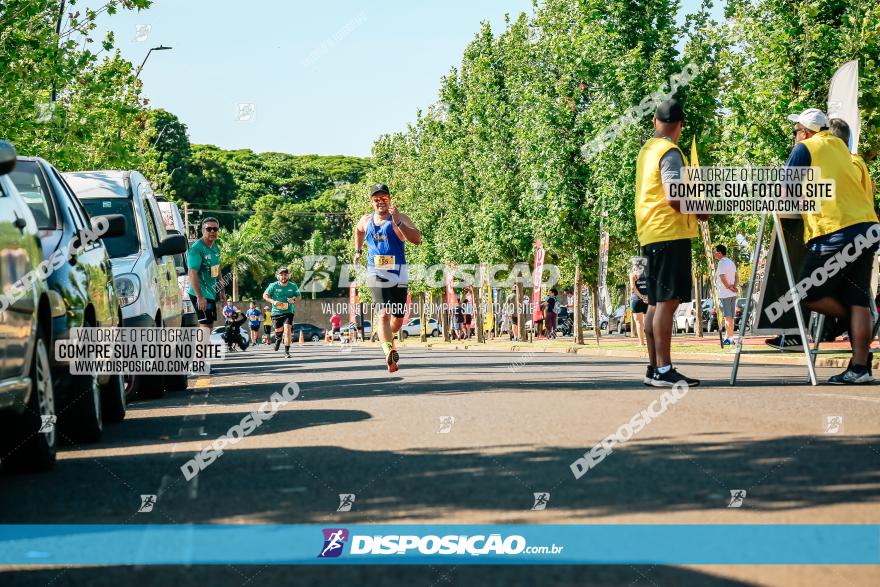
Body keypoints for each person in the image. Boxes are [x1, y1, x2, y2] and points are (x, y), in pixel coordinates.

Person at [773, 108, 879, 383]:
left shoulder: (805, 148)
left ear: (806, 132)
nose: (796, 136)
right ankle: (859, 367)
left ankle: (851, 327)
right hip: (867, 227)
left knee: (805, 293)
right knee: (858, 301)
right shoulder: (844, 151)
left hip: (834, 231)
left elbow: (786, 193)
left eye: (796, 131)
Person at [634, 98, 702, 387]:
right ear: (681, 125)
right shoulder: (670, 152)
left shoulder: (648, 150)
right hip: (669, 233)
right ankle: (664, 369)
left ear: (654, 122)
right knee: (668, 302)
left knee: (655, 303)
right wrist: (700, 208)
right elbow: (674, 195)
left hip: (649, 233)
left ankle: (654, 367)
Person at [353, 184, 422, 373]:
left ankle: (389, 341)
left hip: (398, 273)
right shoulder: (366, 220)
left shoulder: (399, 218)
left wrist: (398, 222)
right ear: (371, 202)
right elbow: (358, 230)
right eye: (376, 199)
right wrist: (358, 251)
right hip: (375, 273)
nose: (380, 202)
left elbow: (417, 240)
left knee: (398, 320)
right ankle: (388, 353)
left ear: (389, 199)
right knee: (382, 313)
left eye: (384, 198)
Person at [187, 217, 224, 373]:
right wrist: (200, 297)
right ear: (203, 230)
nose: (212, 232)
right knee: (204, 328)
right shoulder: (197, 249)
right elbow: (192, 273)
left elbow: (217, 269)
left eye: (215, 229)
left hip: (210, 293)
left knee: (208, 327)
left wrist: (221, 289)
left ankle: (200, 362)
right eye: (209, 229)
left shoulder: (215, 248)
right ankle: (197, 365)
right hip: (199, 294)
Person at [262, 268, 301, 359]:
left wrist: (293, 300)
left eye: (285, 275)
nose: (283, 277)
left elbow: (299, 296)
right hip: (276, 312)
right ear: (278, 276)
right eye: (282, 275)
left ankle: (286, 352)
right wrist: (273, 302)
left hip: (288, 311)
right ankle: (278, 340)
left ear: (288, 275)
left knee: (287, 330)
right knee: (278, 331)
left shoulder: (293, 286)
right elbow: (265, 295)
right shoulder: (273, 285)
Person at [713, 244, 738, 345]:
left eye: (715, 252)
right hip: (732, 294)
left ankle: (730, 338)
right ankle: (727, 337)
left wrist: (729, 287)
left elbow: (723, 278)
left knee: (727, 317)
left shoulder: (721, 263)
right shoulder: (731, 262)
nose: (714, 254)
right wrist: (734, 287)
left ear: (719, 253)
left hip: (724, 294)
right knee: (730, 317)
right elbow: (737, 277)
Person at [629, 258, 649, 346]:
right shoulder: (648, 274)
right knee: (648, 322)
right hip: (648, 300)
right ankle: (650, 342)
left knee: (639, 322)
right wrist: (647, 297)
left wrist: (641, 296)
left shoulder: (633, 274)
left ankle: (641, 343)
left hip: (636, 300)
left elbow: (633, 288)